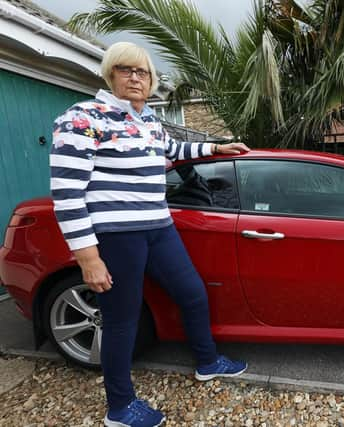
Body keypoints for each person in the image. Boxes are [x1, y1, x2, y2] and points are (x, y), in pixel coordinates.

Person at [50, 41, 250, 427]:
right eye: (126, 70)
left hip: (159, 227)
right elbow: (67, 194)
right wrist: (88, 259)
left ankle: (207, 362)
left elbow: (172, 148)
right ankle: (120, 409)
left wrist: (216, 147)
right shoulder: (83, 118)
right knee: (121, 320)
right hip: (116, 236)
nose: (136, 78)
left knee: (192, 293)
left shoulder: (148, 120)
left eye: (143, 72)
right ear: (110, 73)